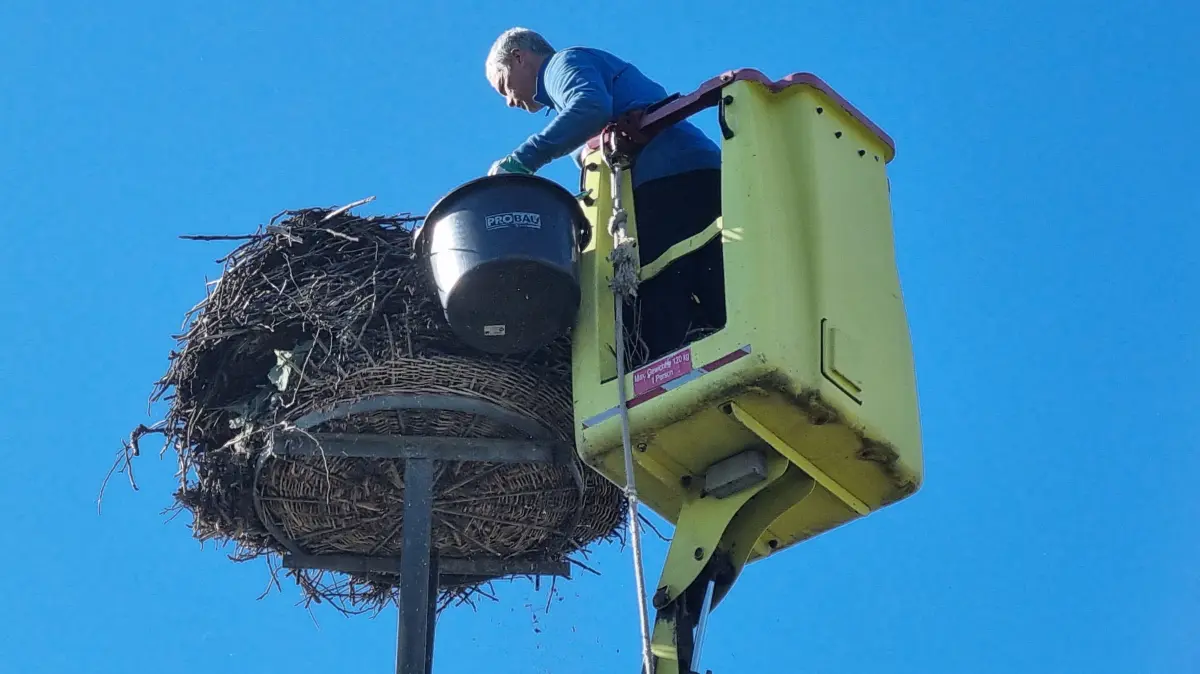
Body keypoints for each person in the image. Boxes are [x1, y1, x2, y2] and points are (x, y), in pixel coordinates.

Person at [483, 27, 726, 366]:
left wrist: (523, 159)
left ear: (519, 57)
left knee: (656, 286)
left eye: (503, 85)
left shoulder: (562, 64)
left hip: (669, 177)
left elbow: (591, 106)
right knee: (709, 279)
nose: (510, 101)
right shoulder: (565, 95)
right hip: (693, 172)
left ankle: (675, 368)